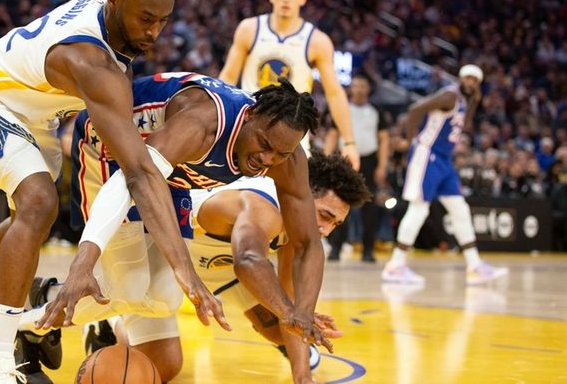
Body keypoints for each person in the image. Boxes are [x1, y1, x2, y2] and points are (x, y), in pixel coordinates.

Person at [0, 0, 225, 382]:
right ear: (114, 0)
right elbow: (140, 174)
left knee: (27, 223)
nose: (154, 32)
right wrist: (186, 273)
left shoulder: (117, 5)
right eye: (146, 18)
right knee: (39, 204)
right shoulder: (89, 61)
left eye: (163, 20)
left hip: (39, 113)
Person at [21, 74, 325, 382]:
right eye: (264, 144)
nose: (267, 159)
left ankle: (64, 301)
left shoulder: (286, 160)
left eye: (281, 153)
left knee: (168, 297)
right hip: (107, 147)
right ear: (249, 116)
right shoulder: (203, 123)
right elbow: (135, 178)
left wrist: (302, 311)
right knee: (130, 285)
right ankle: (24, 324)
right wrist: (83, 261)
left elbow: (308, 244)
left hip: (165, 168)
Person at [66, 151, 370, 384]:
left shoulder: (295, 231)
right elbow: (248, 262)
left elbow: (290, 296)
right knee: (167, 365)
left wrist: (302, 375)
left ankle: (113, 323)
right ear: (303, 197)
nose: (326, 230)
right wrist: (290, 311)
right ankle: (106, 318)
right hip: (165, 251)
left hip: (217, 265)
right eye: (325, 215)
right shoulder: (259, 204)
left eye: (335, 223)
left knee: (282, 332)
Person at [218, 0, 360, 170]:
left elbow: (334, 94)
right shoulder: (249, 29)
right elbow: (227, 79)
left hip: (292, 135)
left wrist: (349, 142)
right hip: (248, 126)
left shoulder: (317, 41)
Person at [381, 65, 508, 285]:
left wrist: (475, 102)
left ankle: (474, 265)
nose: (471, 83)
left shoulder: (463, 101)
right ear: (460, 79)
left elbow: (464, 126)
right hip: (427, 154)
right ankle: (395, 265)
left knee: (460, 209)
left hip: (444, 160)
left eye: (475, 80)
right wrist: (410, 141)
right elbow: (415, 109)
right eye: (468, 78)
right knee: (419, 209)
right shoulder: (449, 95)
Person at [325, 73, 390, 262]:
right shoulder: (341, 108)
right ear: (351, 88)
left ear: (368, 89)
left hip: (369, 161)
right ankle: (336, 247)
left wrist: (382, 166)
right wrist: (328, 161)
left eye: (363, 86)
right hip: (344, 161)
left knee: (369, 208)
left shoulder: (376, 110)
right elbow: (332, 135)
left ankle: (368, 250)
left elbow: (384, 140)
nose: (359, 89)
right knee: (338, 203)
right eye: (356, 85)